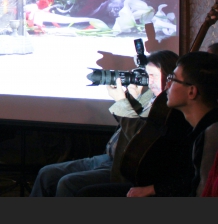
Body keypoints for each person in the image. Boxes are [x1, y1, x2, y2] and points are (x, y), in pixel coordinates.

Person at [30, 50, 182, 197]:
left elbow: (140, 137)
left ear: (170, 76)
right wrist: (133, 100)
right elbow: (133, 122)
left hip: (124, 166)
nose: (150, 81)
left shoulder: (170, 107)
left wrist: (122, 102)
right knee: (46, 174)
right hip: (108, 157)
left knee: (67, 183)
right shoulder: (150, 96)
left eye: (154, 76)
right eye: (148, 75)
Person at [165, 51, 218, 196]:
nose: (167, 85)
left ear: (192, 91)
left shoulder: (210, 135)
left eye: (173, 79)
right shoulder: (194, 127)